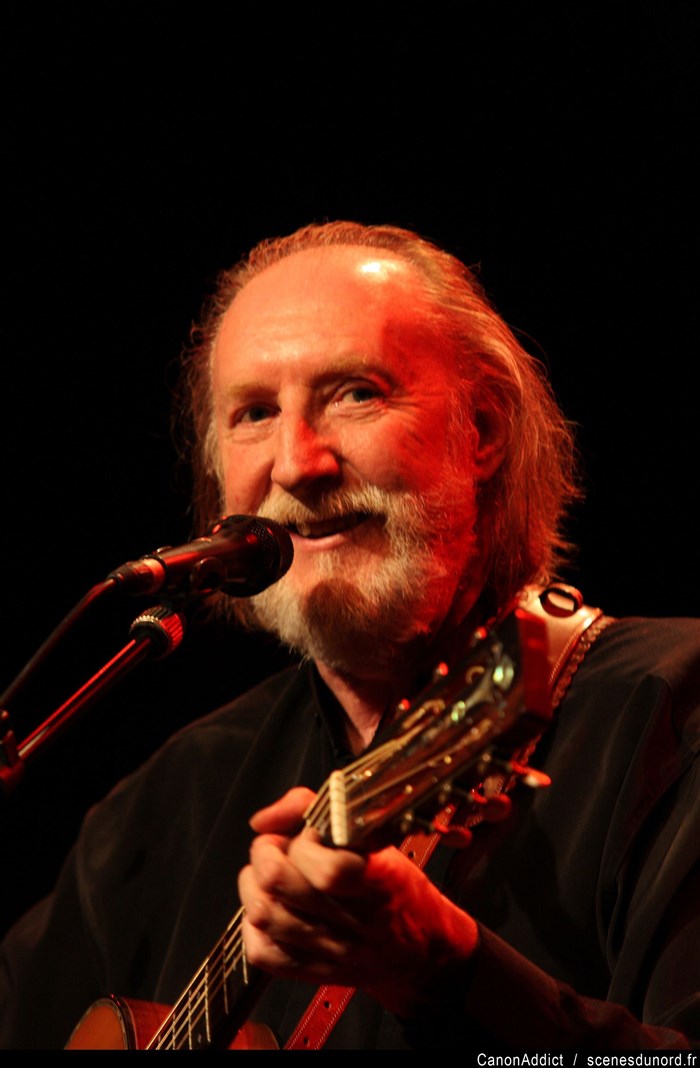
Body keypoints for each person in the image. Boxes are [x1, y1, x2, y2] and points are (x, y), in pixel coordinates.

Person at [1, 221, 698, 1051]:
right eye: (255, 413)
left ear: (482, 431)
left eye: (356, 393)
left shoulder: (671, 708)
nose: (297, 464)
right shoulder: (159, 810)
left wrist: (447, 972)